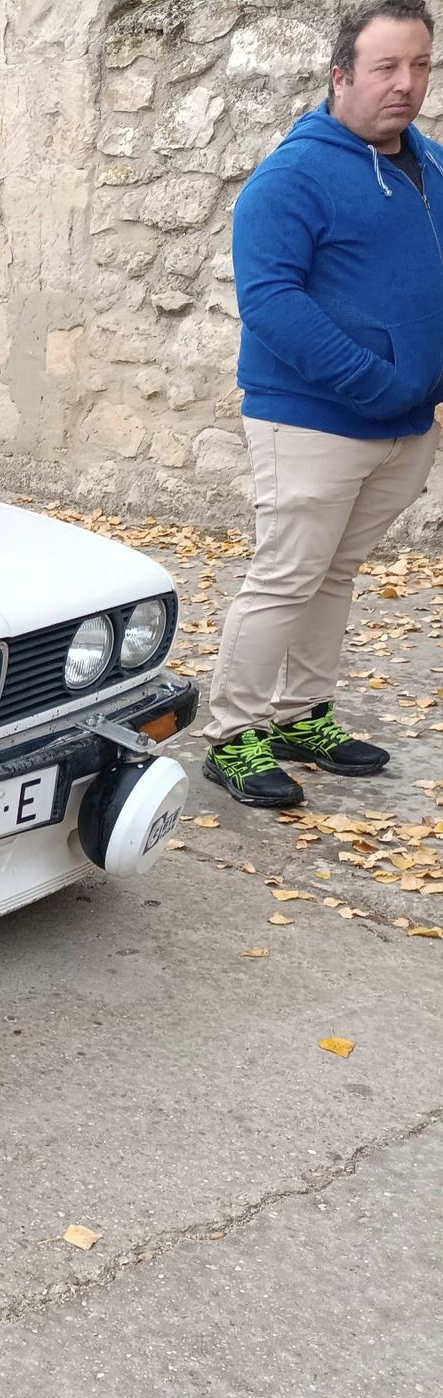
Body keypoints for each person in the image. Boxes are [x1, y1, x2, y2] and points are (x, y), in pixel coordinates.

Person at [207, 0, 443, 808]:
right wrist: (379, 384)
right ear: (340, 76)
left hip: (406, 424)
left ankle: (300, 713)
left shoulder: (433, 166)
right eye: (386, 67)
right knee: (285, 577)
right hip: (310, 420)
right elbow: (271, 302)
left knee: (335, 573)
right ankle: (232, 737)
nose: (405, 85)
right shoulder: (291, 176)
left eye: (419, 66)